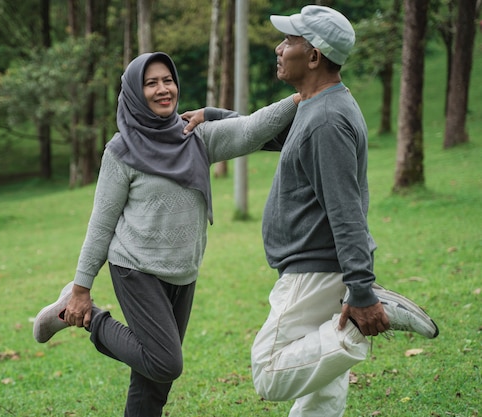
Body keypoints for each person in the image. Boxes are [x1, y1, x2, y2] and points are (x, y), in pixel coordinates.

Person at [187, 5, 439, 417]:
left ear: (315, 56)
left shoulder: (326, 120)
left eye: (289, 41)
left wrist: (360, 292)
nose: (278, 48)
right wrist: (214, 117)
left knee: (268, 372)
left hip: (314, 270)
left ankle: (361, 325)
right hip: (321, 268)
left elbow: (347, 213)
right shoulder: (316, 107)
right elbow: (267, 135)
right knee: (321, 394)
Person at [32, 51, 299, 417]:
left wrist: (303, 95)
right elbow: (101, 222)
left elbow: (254, 129)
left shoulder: (196, 137)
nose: (163, 90)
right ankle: (87, 317)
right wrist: (81, 288)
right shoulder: (121, 150)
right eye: (151, 82)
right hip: (135, 269)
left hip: (183, 271)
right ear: (133, 92)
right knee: (164, 363)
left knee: (153, 384)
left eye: (168, 80)